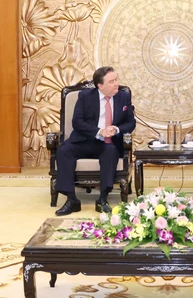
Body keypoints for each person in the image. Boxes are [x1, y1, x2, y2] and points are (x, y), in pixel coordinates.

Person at [54, 66, 135, 215]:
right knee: (64, 150)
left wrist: (116, 130)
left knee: (110, 152)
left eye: (116, 79)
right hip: (86, 139)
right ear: (100, 86)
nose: (116, 83)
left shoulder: (123, 97)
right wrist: (99, 131)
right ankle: (72, 200)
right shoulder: (86, 96)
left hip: (108, 144)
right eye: (111, 81)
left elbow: (131, 123)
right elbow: (77, 122)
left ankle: (102, 199)